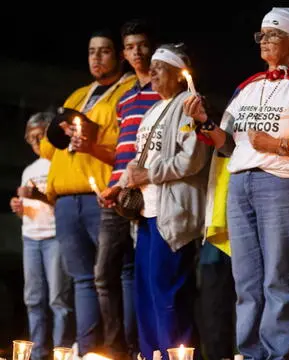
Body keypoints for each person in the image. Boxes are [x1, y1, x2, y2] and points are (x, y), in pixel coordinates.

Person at [183, 7, 289, 359]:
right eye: (262, 34)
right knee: (246, 282)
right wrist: (204, 121)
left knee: (279, 278)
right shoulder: (246, 88)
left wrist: (277, 146)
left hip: (283, 184)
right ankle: (249, 353)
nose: (265, 40)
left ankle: (276, 353)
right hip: (240, 186)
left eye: (274, 34)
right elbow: (227, 145)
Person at [104, 43, 210, 360]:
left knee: (168, 292)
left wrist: (148, 174)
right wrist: (119, 185)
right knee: (145, 293)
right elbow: (139, 159)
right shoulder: (153, 110)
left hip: (171, 214)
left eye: (160, 67)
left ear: (179, 75)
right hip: (146, 215)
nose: (151, 72)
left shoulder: (188, 105)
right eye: (151, 66)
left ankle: (176, 355)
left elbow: (192, 158)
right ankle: (151, 355)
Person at [38, 28, 136, 356]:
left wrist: (92, 143)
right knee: (82, 278)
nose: (96, 57)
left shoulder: (130, 90)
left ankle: (121, 346)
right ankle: (88, 350)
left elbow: (127, 145)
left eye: (104, 51)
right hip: (66, 197)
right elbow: (52, 149)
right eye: (92, 51)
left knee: (117, 273)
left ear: (119, 56)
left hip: (103, 193)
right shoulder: (77, 95)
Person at [94, 19, 161, 359]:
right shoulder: (124, 98)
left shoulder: (163, 93)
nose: (137, 52)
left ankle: (138, 346)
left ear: (153, 48)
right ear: (124, 53)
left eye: (142, 45)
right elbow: (122, 147)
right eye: (131, 47)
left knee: (140, 274)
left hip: (144, 193)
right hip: (115, 191)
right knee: (104, 274)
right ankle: (115, 347)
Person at [9, 113, 73, 360]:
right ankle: (35, 354)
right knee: (33, 299)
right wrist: (19, 208)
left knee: (59, 300)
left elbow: (65, 204)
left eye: (40, 135)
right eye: (31, 136)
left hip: (55, 236)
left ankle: (60, 352)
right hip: (31, 238)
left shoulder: (61, 162)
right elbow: (29, 210)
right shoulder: (30, 170)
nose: (35, 141)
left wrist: (37, 196)